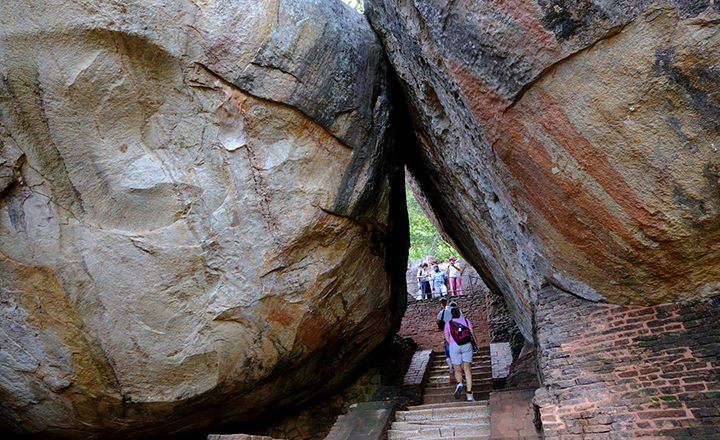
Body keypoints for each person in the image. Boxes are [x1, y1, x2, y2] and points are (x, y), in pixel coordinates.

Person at [444, 307, 475, 401]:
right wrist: (474, 346)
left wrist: (453, 345)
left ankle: (459, 383)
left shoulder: (448, 324)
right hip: (467, 345)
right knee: (467, 370)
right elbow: (471, 335)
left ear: (451, 315)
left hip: (454, 346)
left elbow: (446, 338)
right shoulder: (466, 321)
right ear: (460, 314)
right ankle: (469, 394)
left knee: (457, 369)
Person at [437, 300, 464, 381]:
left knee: (448, 353)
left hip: (447, 335)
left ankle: (451, 367)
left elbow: (438, 321)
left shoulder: (443, 311)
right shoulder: (459, 312)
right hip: (457, 336)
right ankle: (460, 370)